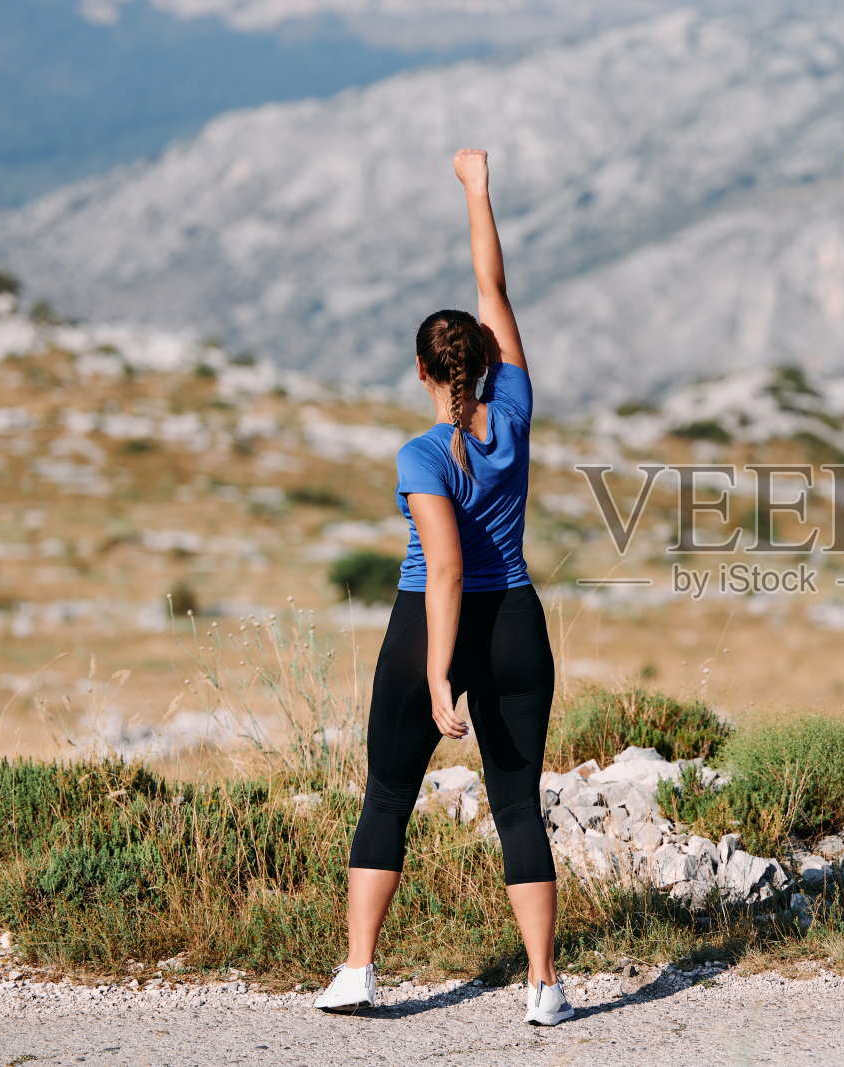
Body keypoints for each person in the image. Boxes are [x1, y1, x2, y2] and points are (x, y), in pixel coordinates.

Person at [313, 148, 573, 1026]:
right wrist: (479, 191)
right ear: (489, 363)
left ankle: (358, 971)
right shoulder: (518, 411)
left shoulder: (421, 454)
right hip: (519, 625)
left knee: (388, 791)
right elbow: (492, 284)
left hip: (435, 619)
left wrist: (434, 672)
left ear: (422, 372)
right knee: (515, 801)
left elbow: (447, 565)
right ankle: (544, 986)